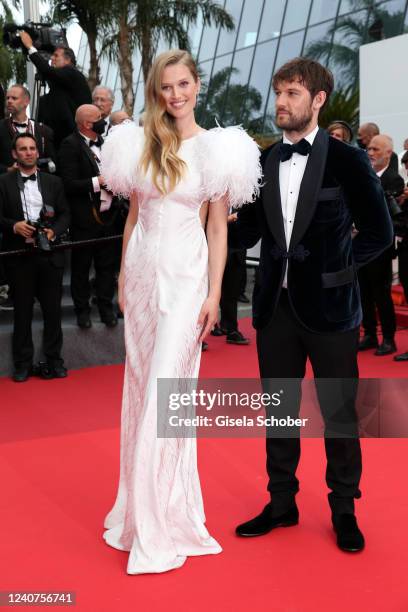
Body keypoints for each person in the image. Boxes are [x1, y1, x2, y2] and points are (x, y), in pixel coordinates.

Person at [100, 49, 261, 574]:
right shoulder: (138, 143)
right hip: (144, 279)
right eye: (166, 86)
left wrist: (216, 295)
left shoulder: (219, 150)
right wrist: (123, 275)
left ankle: (160, 524)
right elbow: (134, 218)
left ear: (197, 84)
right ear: (157, 90)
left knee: (167, 392)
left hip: (189, 281)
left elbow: (218, 227)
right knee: (142, 387)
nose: (175, 95)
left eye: (183, 84)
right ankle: (138, 513)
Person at [229, 57, 392, 552]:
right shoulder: (263, 161)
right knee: (279, 413)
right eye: (278, 92)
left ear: (318, 99)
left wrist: (338, 274)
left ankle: (344, 507)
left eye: (293, 93)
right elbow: (255, 230)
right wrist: (217, 226)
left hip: (332, 314)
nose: (281, 102)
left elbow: (380, 233)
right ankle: (282, 503)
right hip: (274, 310)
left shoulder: (347, 160)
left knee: (339, 415)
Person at [0, 133, 70, 382]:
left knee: (53, 313)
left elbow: (64, 215)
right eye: (23, 149)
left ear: (37, 153)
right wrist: (13, 226)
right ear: (14, 154)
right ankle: (22, 364)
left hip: (49, 255)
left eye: (32, 148)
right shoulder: (3, 182)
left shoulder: (54, 182)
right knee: (22, 314)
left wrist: (54, 231)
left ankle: (55, 360)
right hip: (20, 257)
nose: (28, 152)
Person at [58, 104, 120, 329]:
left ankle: (106, 309)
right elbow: (68, 183)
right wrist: (98, 182)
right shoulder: (69, 145)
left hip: (109, 218)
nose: (103, 120)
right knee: (82, 268)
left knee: (106, 267)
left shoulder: (106, 144)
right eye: (99, 117)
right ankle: (82, 311)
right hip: (84, 221)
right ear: (86, 123)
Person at [358, 135, 403, 355]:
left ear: (388, 153)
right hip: (359, 246)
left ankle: (388, 338)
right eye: (369, 149)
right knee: (363, 291)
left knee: (381, 293)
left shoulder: (394, 180)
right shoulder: (362, 175)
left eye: (376, 149)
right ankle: (369, 334)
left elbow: (390, 214)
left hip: (380, 248)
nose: (371, 153)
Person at [19, 31, 92, 147]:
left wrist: (30, 47)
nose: (52, 58)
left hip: (72, 138)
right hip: (60, 139)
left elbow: (48, 71)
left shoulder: (72, 73)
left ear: (68, 60)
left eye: (56, 56)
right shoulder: (60, 84)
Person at [0, 84, 56, 174]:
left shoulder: (44, 131)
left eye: (14, 98)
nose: (9, 101)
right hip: (8, 184)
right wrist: (8, 170)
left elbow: (52, 163)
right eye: (7, 98)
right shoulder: (1, 127)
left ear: (26, 102)